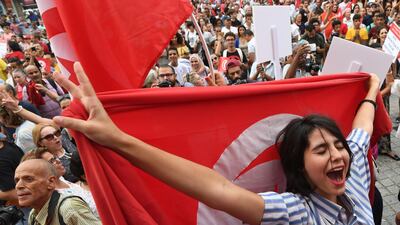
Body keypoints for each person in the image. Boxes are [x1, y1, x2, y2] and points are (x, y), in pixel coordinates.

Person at [51, 62, 379, 224]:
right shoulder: (296, 212)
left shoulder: (355, 175)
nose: (338, 155)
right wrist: (119, 140)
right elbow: (217, 191)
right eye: (321, 151)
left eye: (338, 146)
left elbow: (362, 129)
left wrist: (371, 89)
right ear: (299, 166)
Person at [14, 159, 101, 225]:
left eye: (29, 179)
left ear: (51, 182)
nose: (18, 186)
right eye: (17, 180)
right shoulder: (33, 214)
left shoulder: (69, 209)